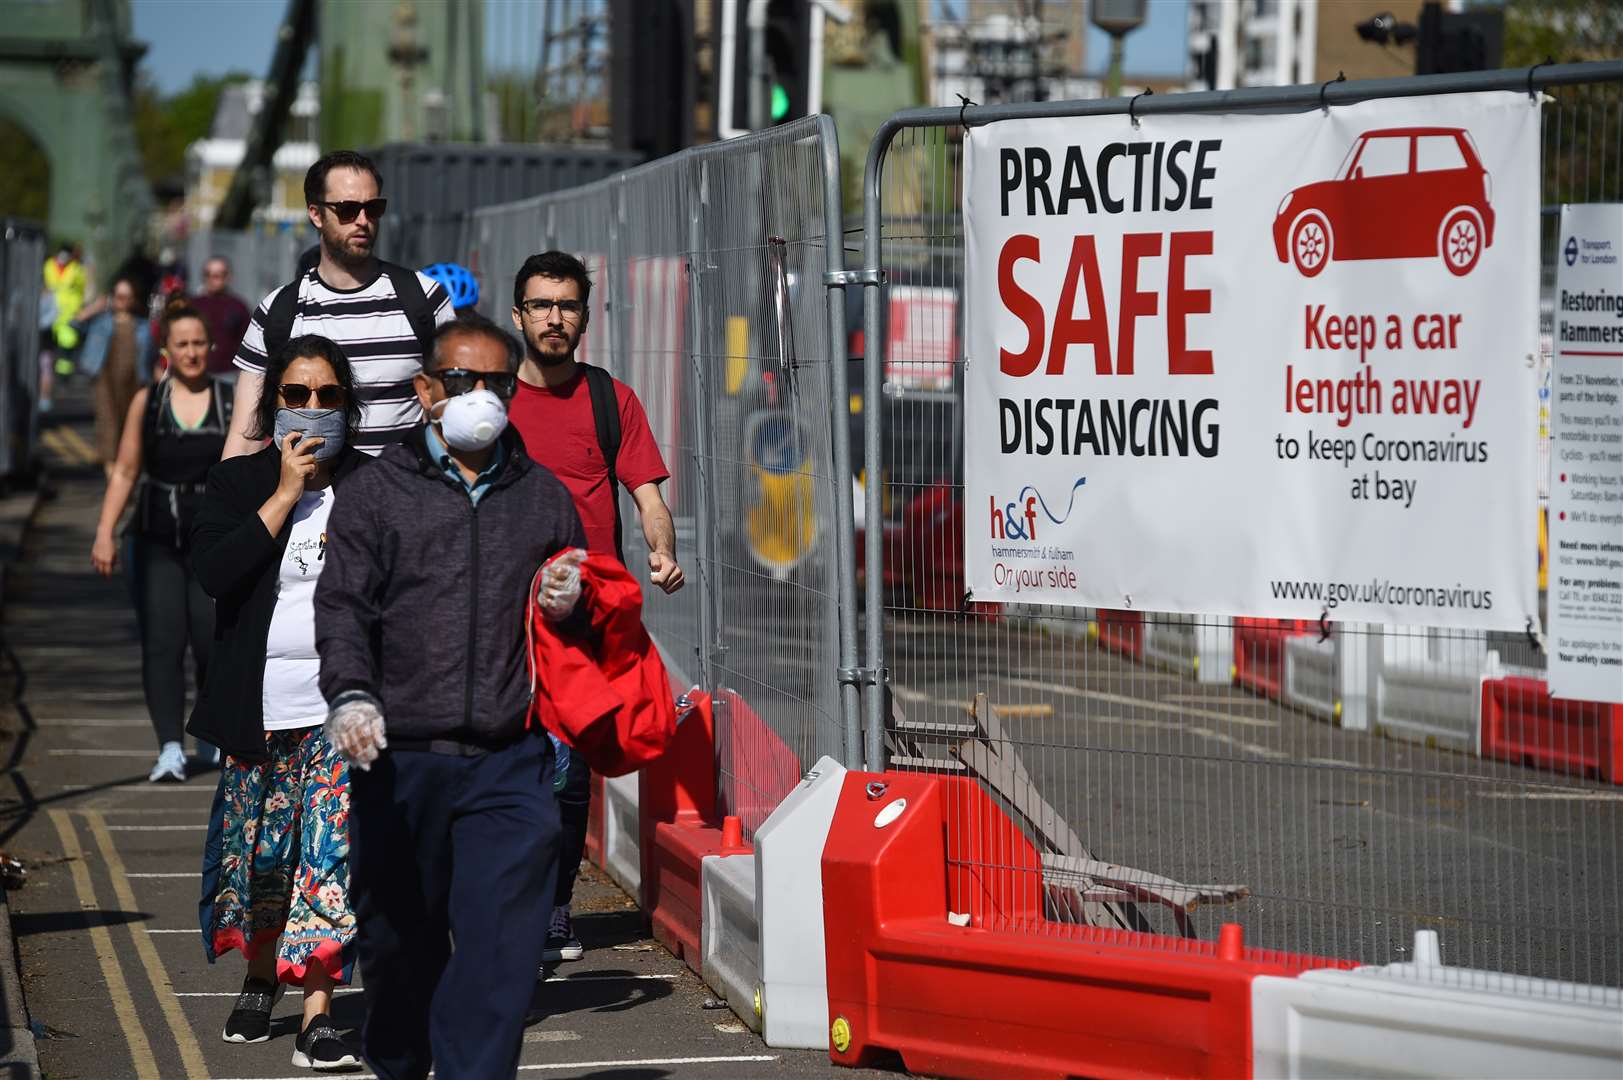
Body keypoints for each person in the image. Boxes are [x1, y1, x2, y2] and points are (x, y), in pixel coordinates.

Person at [315, 315, 587, 1080]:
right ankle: (400, 1060)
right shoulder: (375, 494)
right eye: (463, 381)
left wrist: (575, 598)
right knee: (401, 952)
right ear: (427, 389)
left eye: (497, 383)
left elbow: (592, 608)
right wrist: (353, 696)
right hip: (399, 762)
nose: (482, 397)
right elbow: (342, 607)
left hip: (511, 764)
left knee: (500, 960)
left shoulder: (543, 498)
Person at [190, 335, 369, 1071]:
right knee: (263, 859)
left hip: (339, 712)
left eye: (329, 396)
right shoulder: (237, 484)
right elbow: (214, 572)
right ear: (276, 405)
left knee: (326, 859)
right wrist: (288, 492)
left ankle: (318, 1011)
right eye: (297, 395)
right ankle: (262, 977)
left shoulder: (369, 487)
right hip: (256, 711)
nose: (313, 408)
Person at [507, 250, 684, 965]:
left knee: (566, 770)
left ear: (585, 315)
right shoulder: (492, 399)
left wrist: (662, 551)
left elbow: (647, 494)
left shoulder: (612, 400)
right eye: (541, 305)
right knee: (506, 763)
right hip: (503, 614)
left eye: (567, 305)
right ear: (518, 314)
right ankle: (499, 905)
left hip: (584, 620)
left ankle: (553, 908)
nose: (555, 318)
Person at [222, 150, 455, 460]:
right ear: (316, 214)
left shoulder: (425, 298)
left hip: (404, 497)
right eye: (347, 210)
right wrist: (225, 506)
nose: (362, 221)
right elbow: (246, 435)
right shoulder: (278, 311)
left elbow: (452, 410)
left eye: (373, 209)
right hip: (309, 501)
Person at [89, 304, 230, 782]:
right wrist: (106, 531)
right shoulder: (147, 401)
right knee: (164, 643)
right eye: (182, 344)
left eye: (198, 343)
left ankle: (209, 733)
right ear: (168, 349)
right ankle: (170, 745)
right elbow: (127, 470)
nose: (191, 352)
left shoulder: (230, 400)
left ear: (210, 346)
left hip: (212, 543)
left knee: (212, 642)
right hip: (156, 541)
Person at [76, 277, 154, 478]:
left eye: (127, 297)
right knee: (108, 423)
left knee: (129, 425)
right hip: (104, 379)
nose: (123, 301)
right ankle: (113, 476)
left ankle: (125, 472)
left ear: (134, 300)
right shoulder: (101, 322)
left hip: (133, 381)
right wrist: (95, 308)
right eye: (119, 297)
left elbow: (151, 355)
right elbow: (75, 324)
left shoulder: (143, 326)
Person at [191, 255, 252, 376]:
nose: (213, 279)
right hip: (197, 372)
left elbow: (248, 342)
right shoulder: (193, 305)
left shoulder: (239, 307)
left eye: (219, 275)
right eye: (208, 274)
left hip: (229, 373)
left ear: (228, 276)